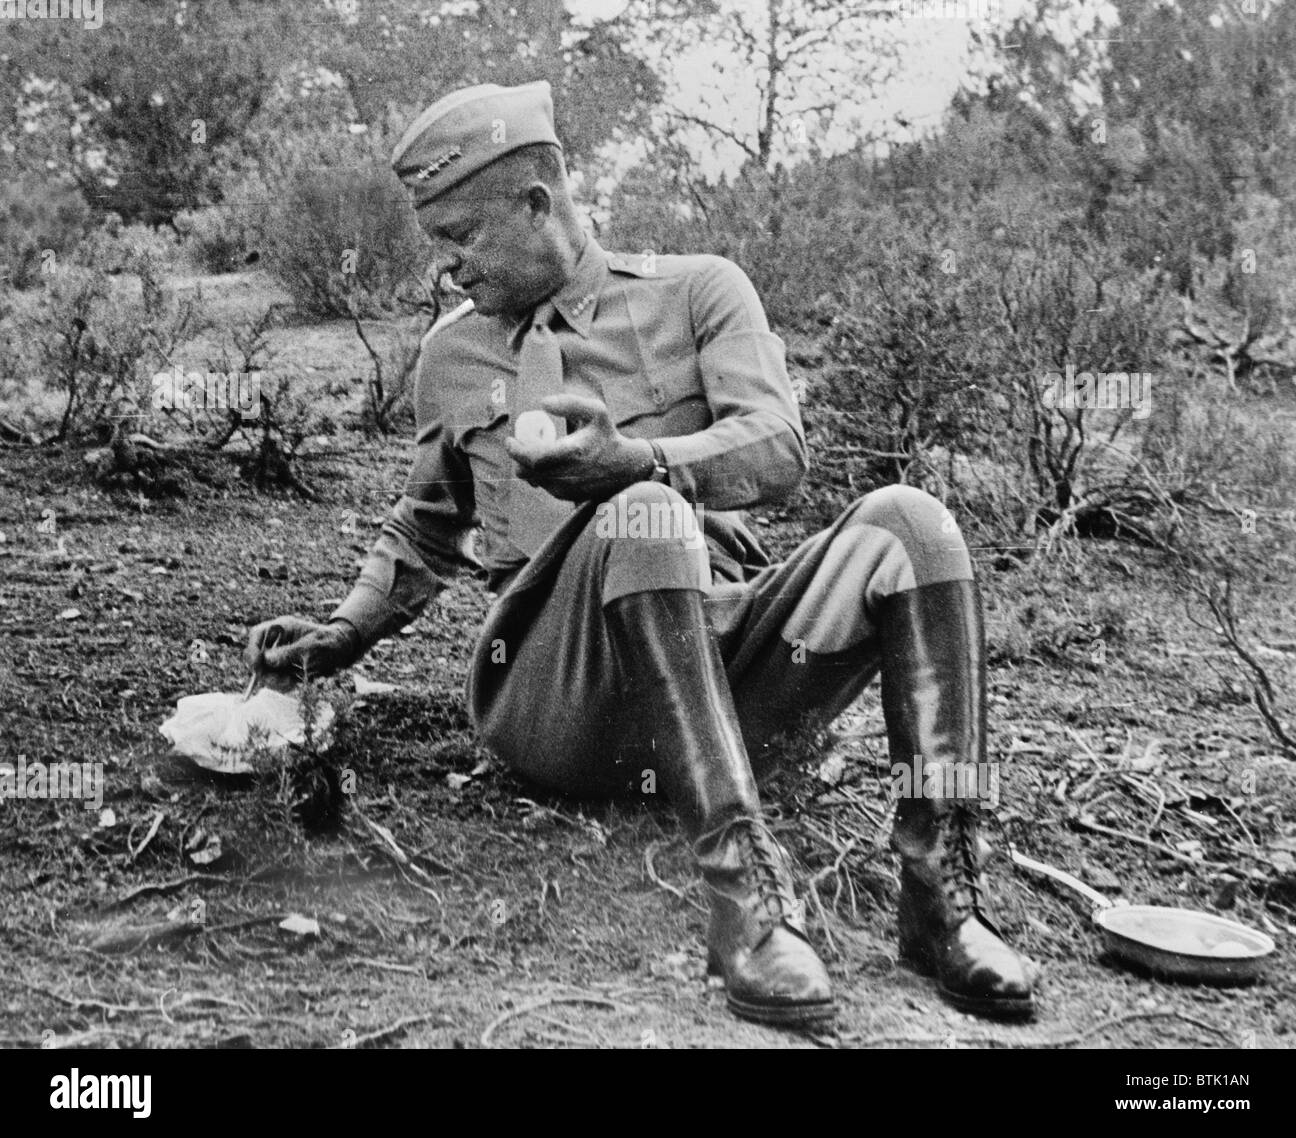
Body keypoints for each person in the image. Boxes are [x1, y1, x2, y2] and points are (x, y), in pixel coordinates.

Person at [245, 80, 1037, 1028]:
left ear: (537, 203)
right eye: (438, 246)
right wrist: (343, 632)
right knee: (649, 517)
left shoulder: (698, 290)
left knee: (914, 524)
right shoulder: (450, 356)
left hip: (724, 685)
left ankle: (940, 896)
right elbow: (426, 526)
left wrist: (645, 461)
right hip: (555, 695)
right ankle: (744, 903)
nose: (448, 268)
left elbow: (779, 448)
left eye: (461, 236)